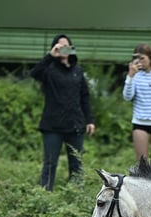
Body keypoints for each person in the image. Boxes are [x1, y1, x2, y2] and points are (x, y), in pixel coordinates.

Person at [29, 34, 96, 191]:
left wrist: (90, 120)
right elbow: (34, 73)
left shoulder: (77, 70)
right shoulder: (49, 70)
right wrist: (50, 57)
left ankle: (76, 195)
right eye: (60, 46)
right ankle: (45, 194)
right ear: (55, 48)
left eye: (67, 46)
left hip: (75, 124)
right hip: (53, 125)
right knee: (50, 162)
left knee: (76, 163)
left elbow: (84, 96)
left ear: (72, 48)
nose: (64, 49)